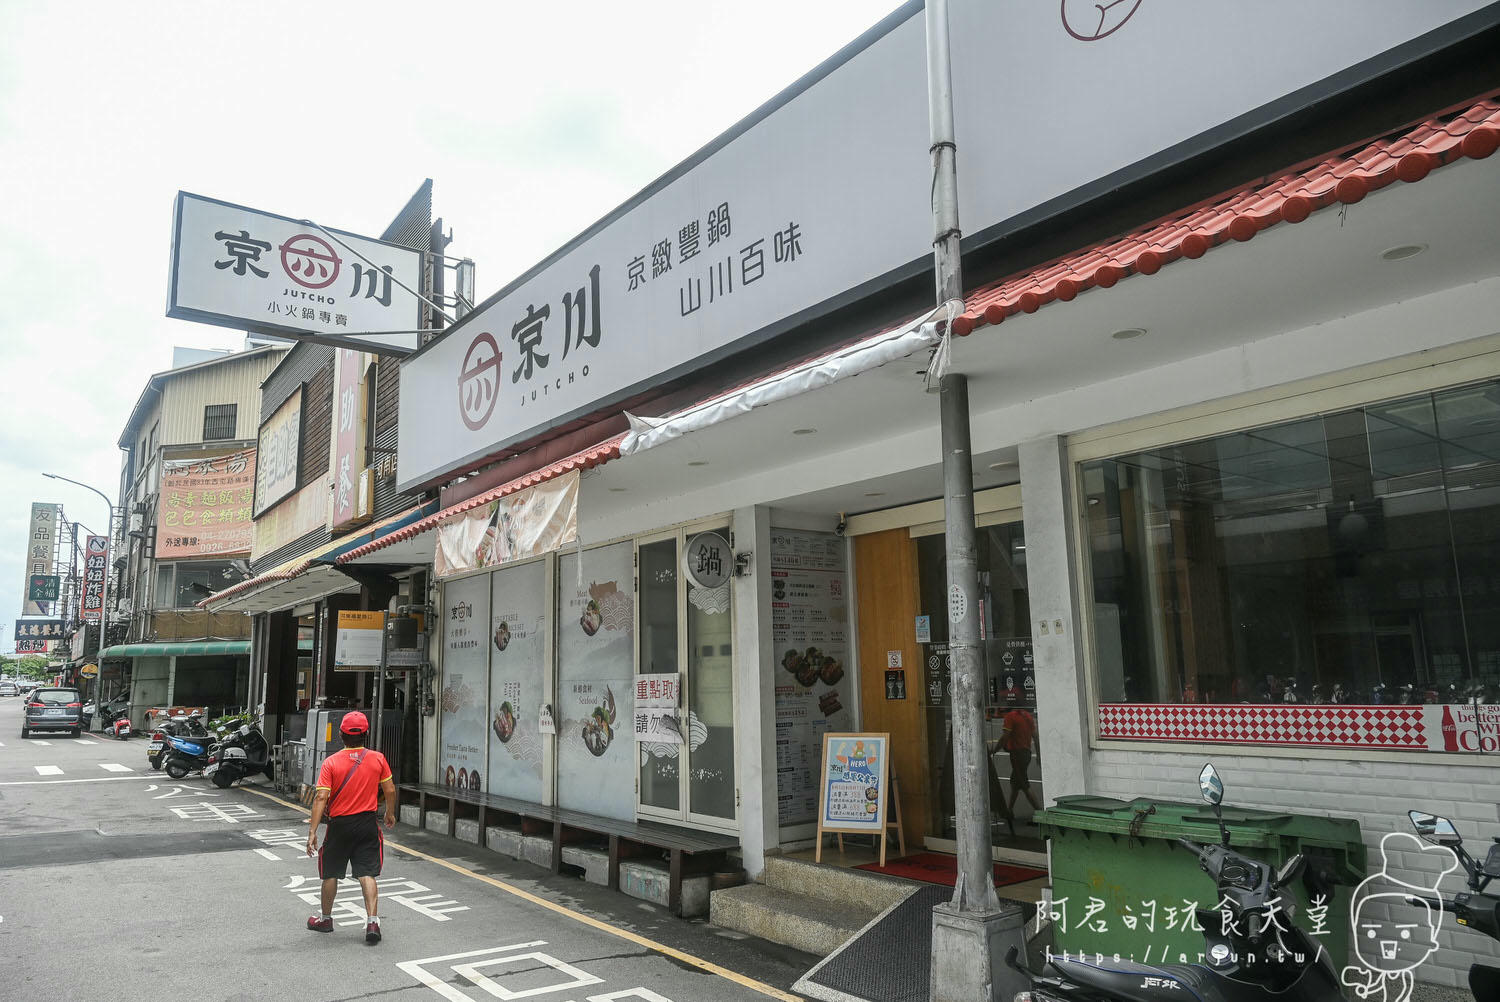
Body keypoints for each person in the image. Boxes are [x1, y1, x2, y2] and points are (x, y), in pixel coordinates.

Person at [305, 711, 396, 943]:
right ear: (365, 734)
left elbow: (321, 798)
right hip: (367, 823)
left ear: (341, 734)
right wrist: (390, 813)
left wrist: (313, 831)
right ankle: (372, 922)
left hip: (339, 825)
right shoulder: (377, 758)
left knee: (331, 872)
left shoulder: (331, 762)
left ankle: (325, 919)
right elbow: (390, 790)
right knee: (367, 872)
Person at [999, 705, 1042, 817]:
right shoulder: (1027, 716)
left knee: (1024, 784)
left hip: (1017, 754)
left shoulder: (1010, 716)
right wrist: (1038, 754)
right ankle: (1009, 810)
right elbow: (1036, 737)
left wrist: (995, 749)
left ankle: (1040, 812)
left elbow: (1005, 737)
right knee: (1015, 783)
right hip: (1026, 753)